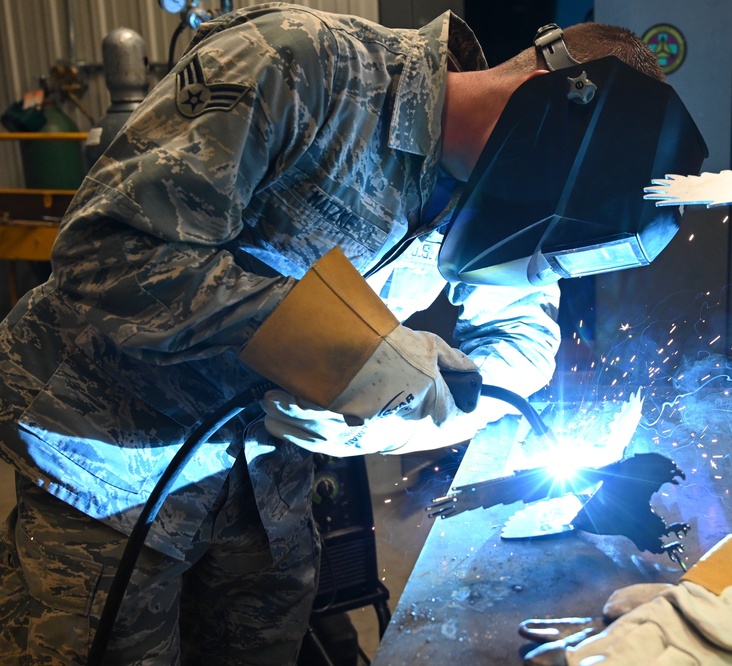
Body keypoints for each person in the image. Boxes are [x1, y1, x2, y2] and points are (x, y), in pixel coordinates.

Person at [0, 3, 674, 664]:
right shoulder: (299, 65)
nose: (534, 222)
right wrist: (345, 353)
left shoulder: (512, 194)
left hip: (267, 488)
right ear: (540, 99)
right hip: (109, 469)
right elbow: (108, 251)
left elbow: (520, 342)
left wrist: (392, 423)